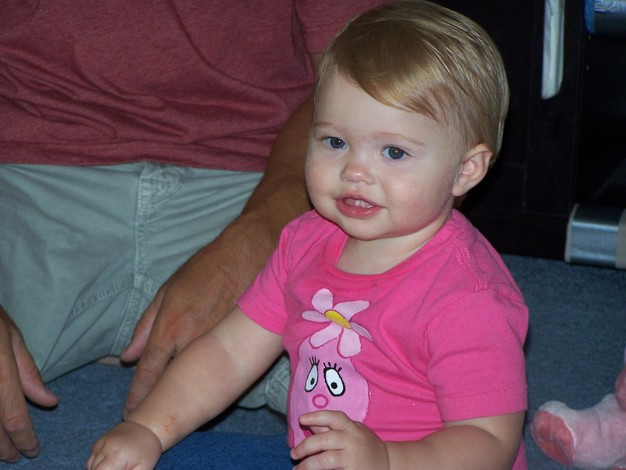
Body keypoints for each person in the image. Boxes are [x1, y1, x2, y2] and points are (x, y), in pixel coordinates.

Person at [88, 1, 529, 468]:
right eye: (335, 142)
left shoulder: (469, 297)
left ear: (466, 170)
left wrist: (386, 459)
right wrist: (149, 427)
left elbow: (489, 443)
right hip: (311, 458)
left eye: (394, 152)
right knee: (177, 455)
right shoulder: (304, 241)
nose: (355, 171)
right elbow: (228, 352)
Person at [0, 0, 385, 463]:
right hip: (22, 175)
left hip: (267, 173)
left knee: (414, 392)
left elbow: (370, 74)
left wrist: (265, 227)